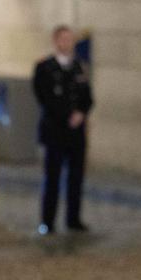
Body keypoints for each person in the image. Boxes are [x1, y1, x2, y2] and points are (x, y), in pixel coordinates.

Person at [32, 25, 93, 234]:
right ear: (56, 41)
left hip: (76, 132)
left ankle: (73, 219)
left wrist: (81, 113)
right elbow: (44, 97)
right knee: (53, 178)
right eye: (64, 39)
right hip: (55, 130)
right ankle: (47, 221)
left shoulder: (79, 67)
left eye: (70, 39)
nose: (67, 43)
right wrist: (67, 115)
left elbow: (87, 96)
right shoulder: (45, 67)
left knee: (76, 177)